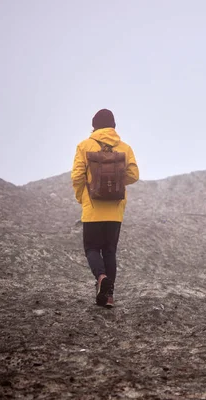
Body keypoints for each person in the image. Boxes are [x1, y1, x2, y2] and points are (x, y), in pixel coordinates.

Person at [71, 109, 139, 307]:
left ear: (94, 127)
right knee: (109, 251)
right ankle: (109, 297)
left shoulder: (84, 146)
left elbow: (76, 177)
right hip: (115, 209)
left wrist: (81, 197)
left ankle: (101, 278)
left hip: (92, 208)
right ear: (114, 127)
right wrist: (116, 181)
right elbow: (134, 175)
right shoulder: (125, 148)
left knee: (92, 248)